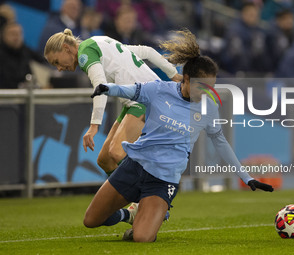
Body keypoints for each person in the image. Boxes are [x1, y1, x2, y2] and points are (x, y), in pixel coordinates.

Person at [83, 29, 274, 242]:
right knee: (91, 220)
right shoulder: (158, 90)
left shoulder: (208, 107)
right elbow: (130, 91)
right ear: (186, 79)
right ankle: (128, 215)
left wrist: (247, 178)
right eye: (202, 86)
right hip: (135, 166)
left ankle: (147, 216)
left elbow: (220, 142)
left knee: (143, 238)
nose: (206, 92)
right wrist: (106, 88)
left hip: (163, 180)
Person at [44, 29, 181, 176]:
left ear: (66, 48)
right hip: (137, 101)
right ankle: (131, 196)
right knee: (105, 160)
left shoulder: (85, 54)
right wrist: (173, 74)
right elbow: (147, 51)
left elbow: (100, 87)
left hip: (146, 99)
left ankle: (152, 188)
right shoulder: (98, 41)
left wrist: (94, 126)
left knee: (117, 152)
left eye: (56, 62)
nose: (58, 69)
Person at [0, 22, 46, 89]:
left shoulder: (26, 51)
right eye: (12, 34)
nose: (16, 37)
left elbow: (44, 61)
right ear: (3, 36)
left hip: (27, 94)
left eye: (19, 34)